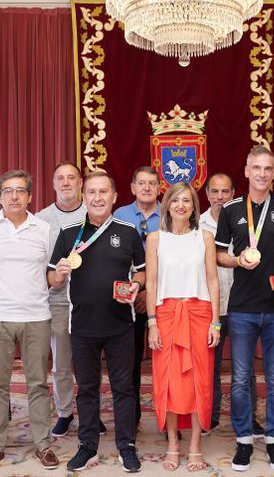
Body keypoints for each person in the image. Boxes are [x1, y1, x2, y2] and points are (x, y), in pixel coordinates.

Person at [214, 146, 274, 472]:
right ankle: (243, 442)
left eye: (268, 168)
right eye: (257, 168)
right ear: (246, 170)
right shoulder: (231, 210)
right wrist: (238, 259)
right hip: (241, 307)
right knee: (240, 378)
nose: (263, 174)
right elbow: (219, 255)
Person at [49, 171, 146, 473]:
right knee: (87, 388)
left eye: (104, 192)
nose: (98, 197)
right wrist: (60, 275)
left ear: (115, 197)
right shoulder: (68, 233)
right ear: (84, 195)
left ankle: (126, 445)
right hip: (82, 327)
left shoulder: (128, 231)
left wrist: (137, 286)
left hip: (120, 325)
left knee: (124, 388)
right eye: (92, 192)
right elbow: (51, 279)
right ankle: (87, 445)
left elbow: (141, 272)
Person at [0, 170, 59, 474]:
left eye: (20, 191)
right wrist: (0, 296)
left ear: (30, 196)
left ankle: (43, 444)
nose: (14, 196)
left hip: (36, 316)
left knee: (37, 384)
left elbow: (49, 273)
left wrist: (54, 280)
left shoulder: (44, 229)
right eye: (7, 191)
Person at [146, 182, 221, 471]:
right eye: (175, 200)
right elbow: (151, 282)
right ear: (166, 205)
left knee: (199, 380)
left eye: (186, 201)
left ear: (193, 207)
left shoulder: (205, 237)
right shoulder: (155, 239)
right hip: (166, 315)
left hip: (199, 313)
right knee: (169, 381)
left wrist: (215, 322)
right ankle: (173, 443)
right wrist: (152, 322)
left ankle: (195, 445)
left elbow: (213, 281)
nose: (180, 205)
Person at [199, 173, 262, 437]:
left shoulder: (246, 220)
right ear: (207, 194)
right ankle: (209, 417)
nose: (220, 197)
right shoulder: (196, 223)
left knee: (244, 367)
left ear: (234, 192)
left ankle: (248, 419)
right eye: (214, 192)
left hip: (240, 304)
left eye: (225, 192)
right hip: (209, 306)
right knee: (209, 367)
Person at [36, 162, 88, 437]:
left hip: (90, 299)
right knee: (61, 362)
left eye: (71, 178)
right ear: (53, 184)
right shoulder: (41, 220)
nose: (66, 183)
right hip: (57, 299)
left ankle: (90, 412)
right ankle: (65, 412)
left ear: (81, 183)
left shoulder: (95, 213)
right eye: (60, 178)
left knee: (88, 362)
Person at [113, 166, 161, 428]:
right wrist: (137, 291)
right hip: (128, 298)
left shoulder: (170, 212)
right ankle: (131, 417)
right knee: (128, 362)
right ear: (132, 188)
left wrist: (150, 294)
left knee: (165, 360)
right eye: (141, 183)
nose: (146, 188)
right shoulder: (119, 215)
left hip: (162, 297)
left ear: (158, 188)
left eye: (151, 183)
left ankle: (168, 417)